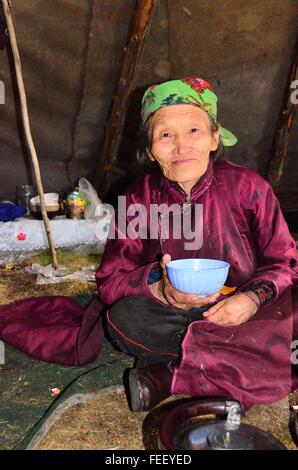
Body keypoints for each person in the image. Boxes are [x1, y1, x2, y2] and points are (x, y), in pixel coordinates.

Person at [96, 77, 298, 412]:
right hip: (177, 314)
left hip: (252, 312)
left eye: (194, 131)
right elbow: (110, 281)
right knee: (123, 319)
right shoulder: (137, 198)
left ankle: (171, 376)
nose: (180, 146)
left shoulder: (250, 187)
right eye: (164, 135)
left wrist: (250, 299)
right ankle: (239, 361)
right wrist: (160, 290)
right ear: (149, 148)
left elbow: (286, 262)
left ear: (215, 138)